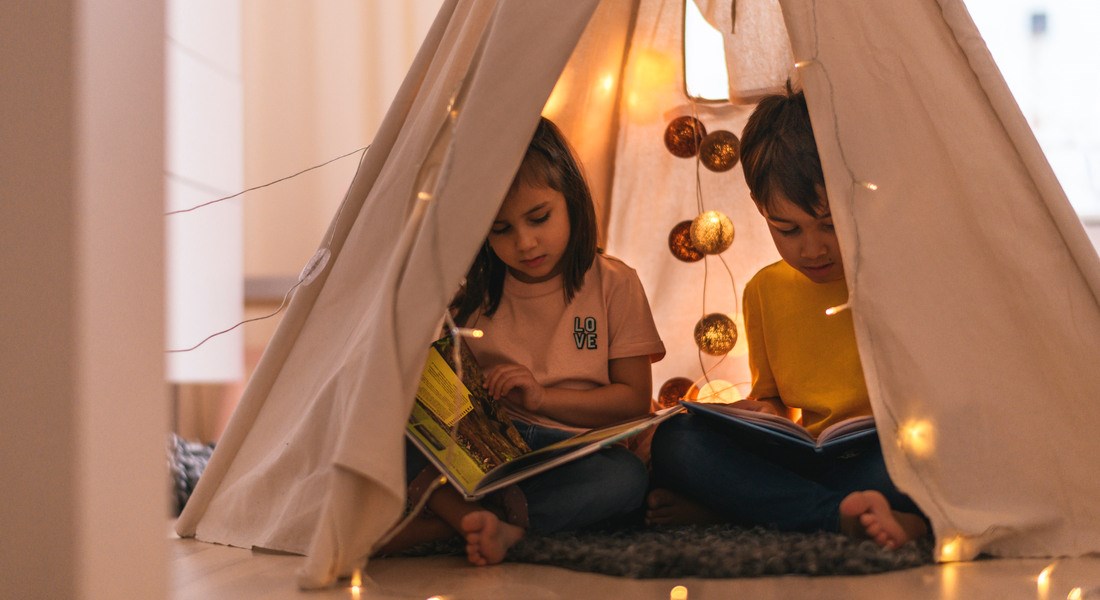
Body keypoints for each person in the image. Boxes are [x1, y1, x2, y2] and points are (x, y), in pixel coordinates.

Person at [645, 88, 929, 550]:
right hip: (811, 458)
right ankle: (842, 515)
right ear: (759, 208)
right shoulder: (765, 290)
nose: (812, 249)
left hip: (886, 454)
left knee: (926, 456)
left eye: (830, 224)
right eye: (787, 229)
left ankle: (760, 510)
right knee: (677, 441)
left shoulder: (902, 280)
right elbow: (775, 402)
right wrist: (762, 414)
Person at [380, 117, 666, 565]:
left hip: (568, 453)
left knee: (626, 480)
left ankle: (450, 523)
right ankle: (479, 518)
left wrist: (541, 398)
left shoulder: (615, 284)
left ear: (571, 198)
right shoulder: (471, 295)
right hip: (486, 450)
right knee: (390, 419)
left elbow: (632, 402)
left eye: (539, 218)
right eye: (501, 229)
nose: (526, 243)